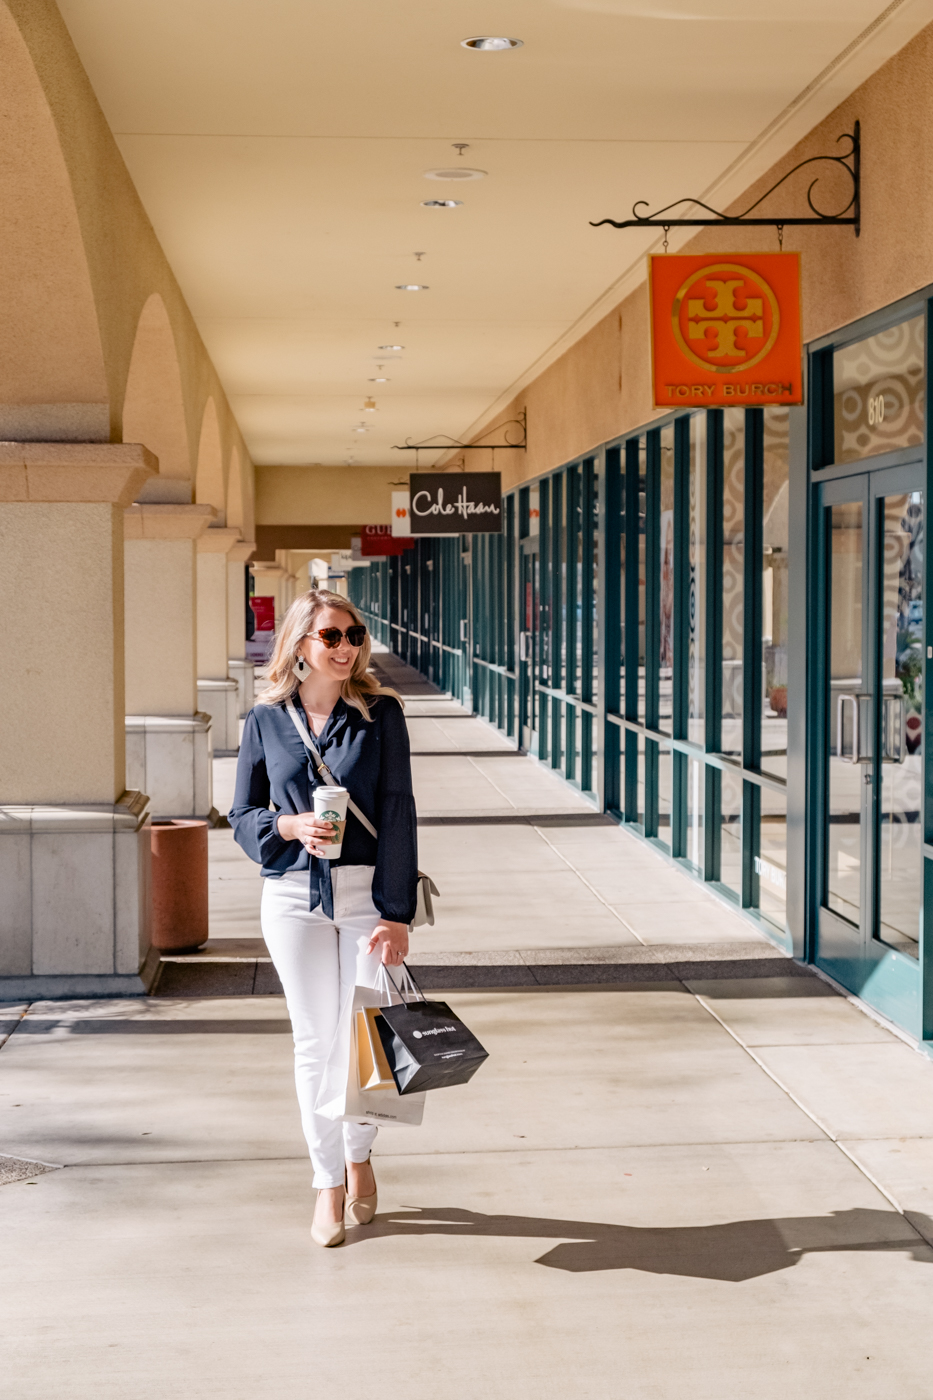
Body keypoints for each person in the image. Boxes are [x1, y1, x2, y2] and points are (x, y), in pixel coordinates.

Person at [229, 589, 418, 1247]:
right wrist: (286, 823)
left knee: (367, 1038)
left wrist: (397, 915)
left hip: (366, 896)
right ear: (300, 646)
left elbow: (397, 813)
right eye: (331, 637)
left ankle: (360, 1153)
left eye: (353, 635)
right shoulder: (265, 720)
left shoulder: (380, 715)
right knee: (314, 1043)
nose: (345, 648)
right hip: (290, 896)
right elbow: (241, 815)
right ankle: (327, 1181)